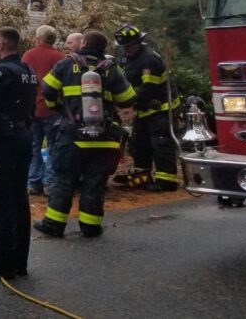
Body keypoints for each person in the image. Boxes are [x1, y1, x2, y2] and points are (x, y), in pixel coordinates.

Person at [34, 30, 136, 238]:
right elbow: (128, 98)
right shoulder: (111, 68)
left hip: (73, 136)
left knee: (64, 179)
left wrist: (58, 107)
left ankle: (54, 224)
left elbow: (47, 89)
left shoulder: (66, 63)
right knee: (95, 183)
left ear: (84, 43)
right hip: (105, 138)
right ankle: (91, 226)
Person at [0, 27, 36, 281]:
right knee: (19, 197)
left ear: (1, 44)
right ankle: (19, 260)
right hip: (23, 136)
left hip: (3, 141)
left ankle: (0, 262)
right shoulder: (28, 72)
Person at [115, 25, 179, 192]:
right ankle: (142, 177)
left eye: (129, 46)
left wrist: (126, 101)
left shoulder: (149, 60)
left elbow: (148, 89)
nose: (126, 50)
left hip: (161, 109)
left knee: (161, 143)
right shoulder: (129, 59)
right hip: (144, 109)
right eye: (124, 47)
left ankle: (167, 181)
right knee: (139, 144)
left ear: (138, 43)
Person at [22, 25, 64, 196]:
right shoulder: (61, 58)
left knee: (33, 146)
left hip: (32, 109)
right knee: (54, 147)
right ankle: (49, 183)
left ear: (38, 38)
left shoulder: (28, 55)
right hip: (54, 110)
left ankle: (33, 182)